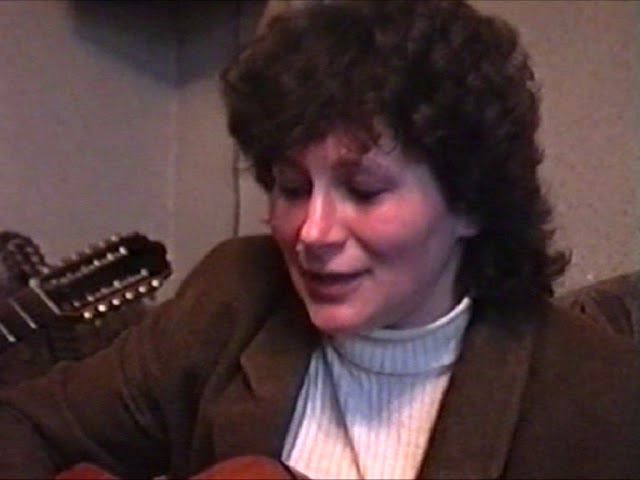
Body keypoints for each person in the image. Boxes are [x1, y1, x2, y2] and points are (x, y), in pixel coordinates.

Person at [1, 1, 638, 478]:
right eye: (291, 187)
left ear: (470, 201)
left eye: (363, 190)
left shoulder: (600, 395)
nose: (312, 232)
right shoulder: (233, 296)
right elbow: (25, 425)